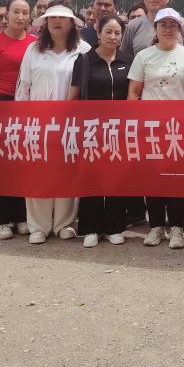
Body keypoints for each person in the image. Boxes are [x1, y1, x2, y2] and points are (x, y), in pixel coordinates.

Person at [127, 8, 184, 250]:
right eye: (163, 25)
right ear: (156, 29)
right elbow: (133, 92)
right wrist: (137, 122)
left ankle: (178, 227)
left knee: (178, 178)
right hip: (151, 128)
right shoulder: (143, 56)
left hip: (179, 128)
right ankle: (156, 225)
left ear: (179, 30)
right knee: (153, 177)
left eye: (173, 25)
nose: (168, 29)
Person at [15, 1, 89, 244]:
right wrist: (22, 121)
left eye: (62, 18)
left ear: (72, 23)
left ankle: (64, 224)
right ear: (45, 23)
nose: (57, 22)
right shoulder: (34, 50)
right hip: (37, 123)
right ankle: (38, 225)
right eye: (52, 18)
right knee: (38, 173)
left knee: (67, 172)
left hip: (70, 125)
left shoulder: (83, 50)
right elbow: (23, 88)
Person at [69, 13, 131, 247]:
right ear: (98, 33)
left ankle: (114, 226)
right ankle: (91, 228)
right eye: (108, 32)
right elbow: (73, 96)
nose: (113, 37)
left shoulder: (128, 60)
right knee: (91, 177)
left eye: (117, 33)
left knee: (117, 178)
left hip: (120, 130)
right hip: (90, 129)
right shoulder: (84, 61)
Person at [0, 0, 34, 239]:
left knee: (23, 163)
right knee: (2, 164)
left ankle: (22, 216)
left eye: (25, 12)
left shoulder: (35, 43)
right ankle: (1, 219)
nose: (20, 17)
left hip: (27, 107)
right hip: (2, 106)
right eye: (16, 12)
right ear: (7, 15)